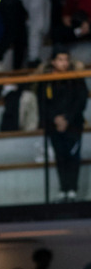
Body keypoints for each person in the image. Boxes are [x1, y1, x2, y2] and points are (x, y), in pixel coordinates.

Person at [37, 48, 87, 202]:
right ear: (53, 62)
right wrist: (55, 119)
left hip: (73, 124)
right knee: (60, 156)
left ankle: (72, 189)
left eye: (66, 59)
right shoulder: (46, 80)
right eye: (60, 59)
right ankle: (63, 188)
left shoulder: (76, 78)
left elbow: (81, 100)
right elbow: (43, 103)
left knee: (73, 155)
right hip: (53, 125)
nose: (64, 63)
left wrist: (67, 119)